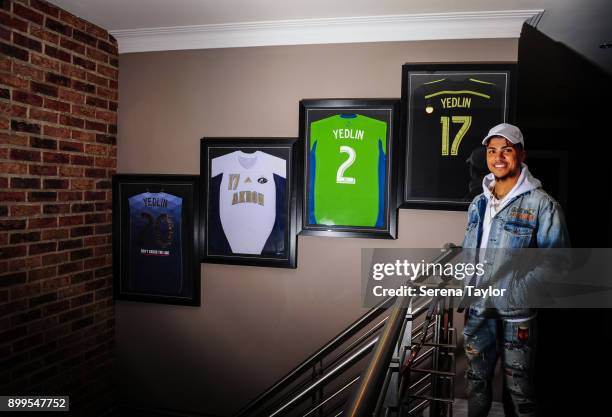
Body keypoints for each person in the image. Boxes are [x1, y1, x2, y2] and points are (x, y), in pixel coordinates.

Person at [461, 123, 570, 417]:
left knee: (520, 389)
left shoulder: (542, 205)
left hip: (516, 313)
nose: (498, 157)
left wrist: (515, 291)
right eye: (492, 151)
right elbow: (469, 252)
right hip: (478, 308)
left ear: (521, 155)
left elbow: (558, 264)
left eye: (506, 150)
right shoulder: (478, 203)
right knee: (476, 382)